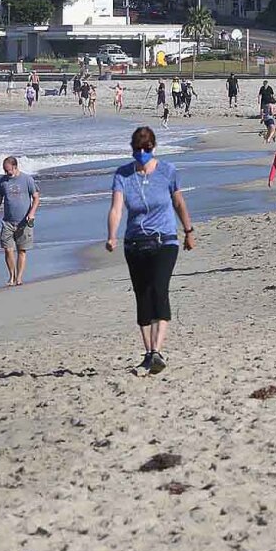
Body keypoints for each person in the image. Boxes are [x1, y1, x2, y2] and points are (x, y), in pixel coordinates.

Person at [105, 126, 195, 377]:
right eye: (137, 150)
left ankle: (157, 350)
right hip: (134, 243)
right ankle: (149, 353)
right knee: (142, 295)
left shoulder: (167, 171)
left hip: (164, 241)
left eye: (146, 149)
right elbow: (116, 209)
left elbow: (178, 202)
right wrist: (111, 236)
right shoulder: (123, 175)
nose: (141, 154)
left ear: (153, 148)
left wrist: (188, 230)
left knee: (159, 288)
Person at [0, 156, 41, 287]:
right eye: (4, 170)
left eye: (8, 170)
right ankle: (11, 276)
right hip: (7, 221)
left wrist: (31, 213)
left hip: (24, 221)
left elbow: (36, 198)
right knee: (8, 249)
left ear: (15, 166)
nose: (6, 173)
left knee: (21, 250)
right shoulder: (3, 181)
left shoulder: (27, 179)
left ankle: (19, 278)